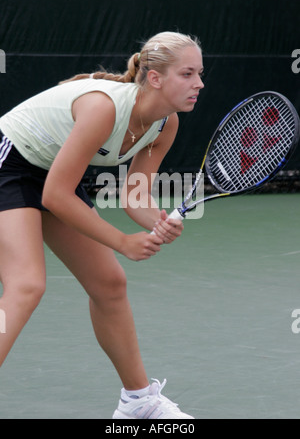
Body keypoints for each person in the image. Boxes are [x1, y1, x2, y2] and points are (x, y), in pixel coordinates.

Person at [0, 31, 204, 419]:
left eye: (200, 73)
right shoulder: (104, 109)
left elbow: (135, 195)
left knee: (110, 283)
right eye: (188, 73)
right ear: (156, 78)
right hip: (9, 163)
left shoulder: (165, 124)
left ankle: (139, 402)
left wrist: (157, 223)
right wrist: (123, 242)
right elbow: (55, 197)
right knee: (26, 285)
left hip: (54, 171)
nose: (199, 83)